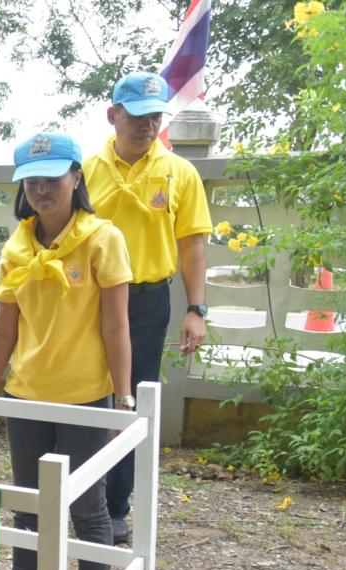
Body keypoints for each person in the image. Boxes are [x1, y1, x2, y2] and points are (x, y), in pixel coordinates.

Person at [0, 133, 132, 570]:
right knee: (28, 505)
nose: (41, 189)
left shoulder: (103, 239)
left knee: (87, 508)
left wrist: (122, 400)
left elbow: (116, 327)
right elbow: (3, 333)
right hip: (27, 394)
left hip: (84, 396)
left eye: (52, 178)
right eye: (31, 181)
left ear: (76, 177)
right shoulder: (16, 246)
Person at [83, 71, 212, 544]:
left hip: (144, 302)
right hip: (86, 299)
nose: (147, 125)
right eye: (137, 116)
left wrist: (195, 308)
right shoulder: (85, 167)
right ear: (112, 114)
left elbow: (192, 245)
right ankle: (81, 495)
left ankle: (114, 507)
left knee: (130, 398)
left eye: (155, 117)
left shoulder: (180, 172)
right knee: (83, 392)